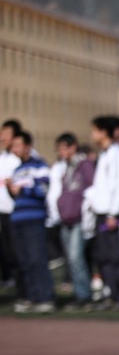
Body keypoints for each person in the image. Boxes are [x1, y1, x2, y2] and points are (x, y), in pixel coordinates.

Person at [85, 116, 119, 309]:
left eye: (95, 130)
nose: (93, 135)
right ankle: (111, 293)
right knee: (104, 256)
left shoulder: (116, 154)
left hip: (113, 214)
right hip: (102, 213)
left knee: (118, 255)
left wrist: (114, 212)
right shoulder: (104, 155)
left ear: (104, 132)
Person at [47, 133, 96, 311]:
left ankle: (85, 296)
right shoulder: (64, 167)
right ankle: (79, 294)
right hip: (65, 219)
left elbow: (91, 190)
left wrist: (87, 214)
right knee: (71, 259)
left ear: (73, 147)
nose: (61, 152)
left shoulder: (84, 165)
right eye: (59, 149)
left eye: (64, 148)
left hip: (79, 219)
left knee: (76, 257)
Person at [8, 131, 55, 313]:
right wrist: (12, 190)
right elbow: (16, 196)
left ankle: (46, 297)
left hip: (34, 219)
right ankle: (32, 297)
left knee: (37, 259)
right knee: (24, 261)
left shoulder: (39, 165)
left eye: (18, 145)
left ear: (28, 146)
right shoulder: (17, 169)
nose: (15, 149)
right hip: (18, 218)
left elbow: (44, 189)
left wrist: (23, 189)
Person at [0, 119, 22, 289]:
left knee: (14, 248)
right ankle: (7, 277)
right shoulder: (2, 157)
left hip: (14, 211)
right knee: (4, 248)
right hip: (2, 211)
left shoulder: (19, 159)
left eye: (5, 133)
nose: (2, 137)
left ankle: (19, 279)